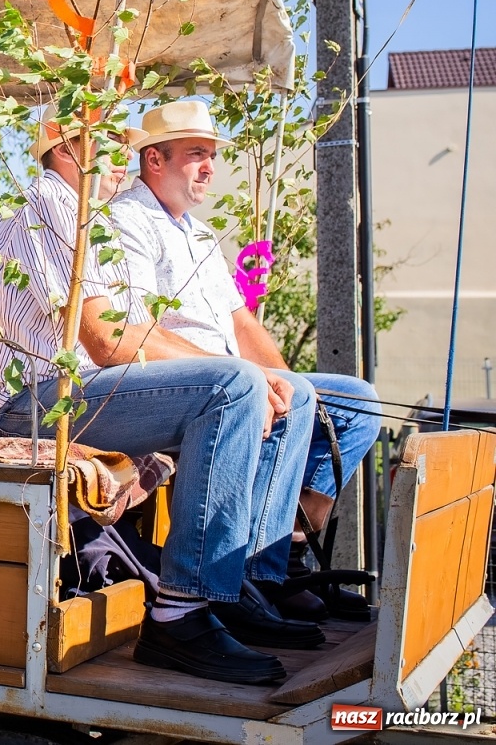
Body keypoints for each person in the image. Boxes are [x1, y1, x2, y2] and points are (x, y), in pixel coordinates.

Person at [0, 115, 319, 686]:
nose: (122, 160)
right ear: (67, 149)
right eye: (108, 146)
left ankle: (230, 588)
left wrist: (252, 373)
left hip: (61, 397)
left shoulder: (79, 212)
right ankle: (181, 614)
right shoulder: (53, 205)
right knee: (231, 388)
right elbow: (107, 341)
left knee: (250, 385)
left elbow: (128, 336)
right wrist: (244, 374)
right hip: (23, 410)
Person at [109, 100, 382, 621]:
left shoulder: (199, 234)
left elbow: (242, 324)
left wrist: (286, 380)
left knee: (355, 403)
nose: (210, 167)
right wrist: (259, 382)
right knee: (275, 396)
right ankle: (253, 579)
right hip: (180, 387)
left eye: (212, 155)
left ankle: (287, 548)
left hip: (236, 378)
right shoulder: (128, 221)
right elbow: (137, 331)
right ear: (155, 159)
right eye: (197, 154)